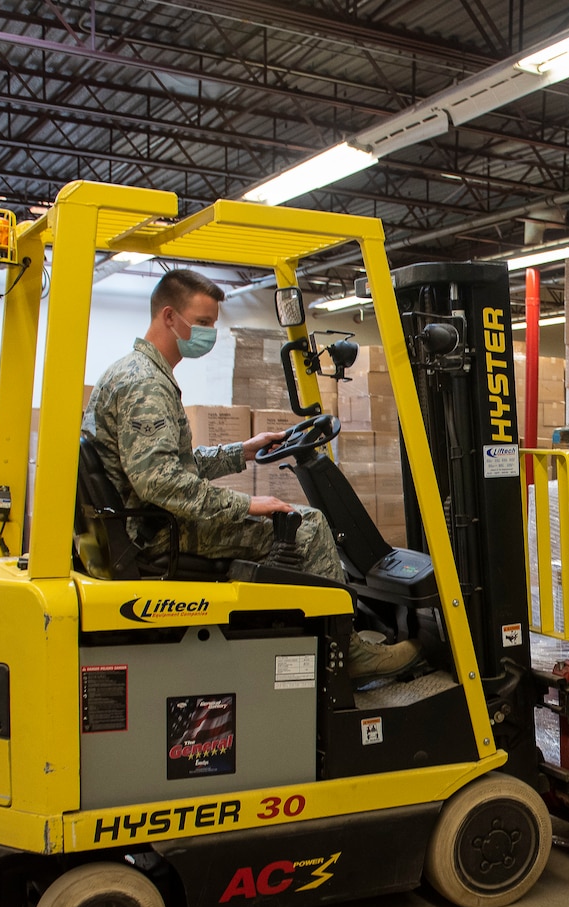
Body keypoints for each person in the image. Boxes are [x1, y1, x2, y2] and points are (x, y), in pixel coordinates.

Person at [82, 268, 422, 682]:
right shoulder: (146, 385)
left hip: (145, 524)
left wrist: (242, 451)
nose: (207, 332)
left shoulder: (133, 372)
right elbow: (160, 482)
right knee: (309, 525)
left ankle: (307, 630)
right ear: (169, 316)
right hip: (156, 533)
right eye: (202, 323)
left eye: (211, 324)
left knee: (290, 520)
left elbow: (175, 464)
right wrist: (249, 504)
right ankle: (345, 651)